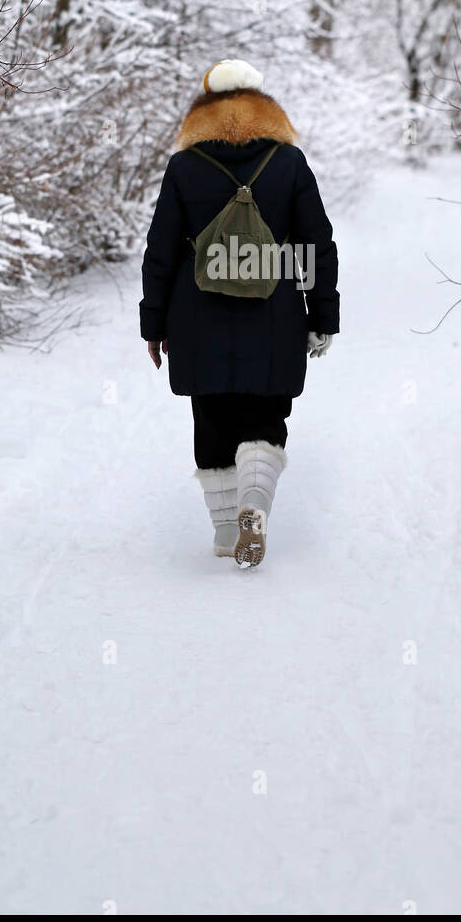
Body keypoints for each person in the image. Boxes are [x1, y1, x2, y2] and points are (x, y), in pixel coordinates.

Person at [140, 58, 339, 567]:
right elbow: (317, 242)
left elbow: (160, 250)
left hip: (195, 315)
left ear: (203, 108)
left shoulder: (184, 167)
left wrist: (154, 324)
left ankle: (228, 534)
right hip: (272, 313)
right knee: (266, 413)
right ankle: (256, 504)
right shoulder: (288, 163)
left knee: (211, 419)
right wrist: (322, 315)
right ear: (263, 105)